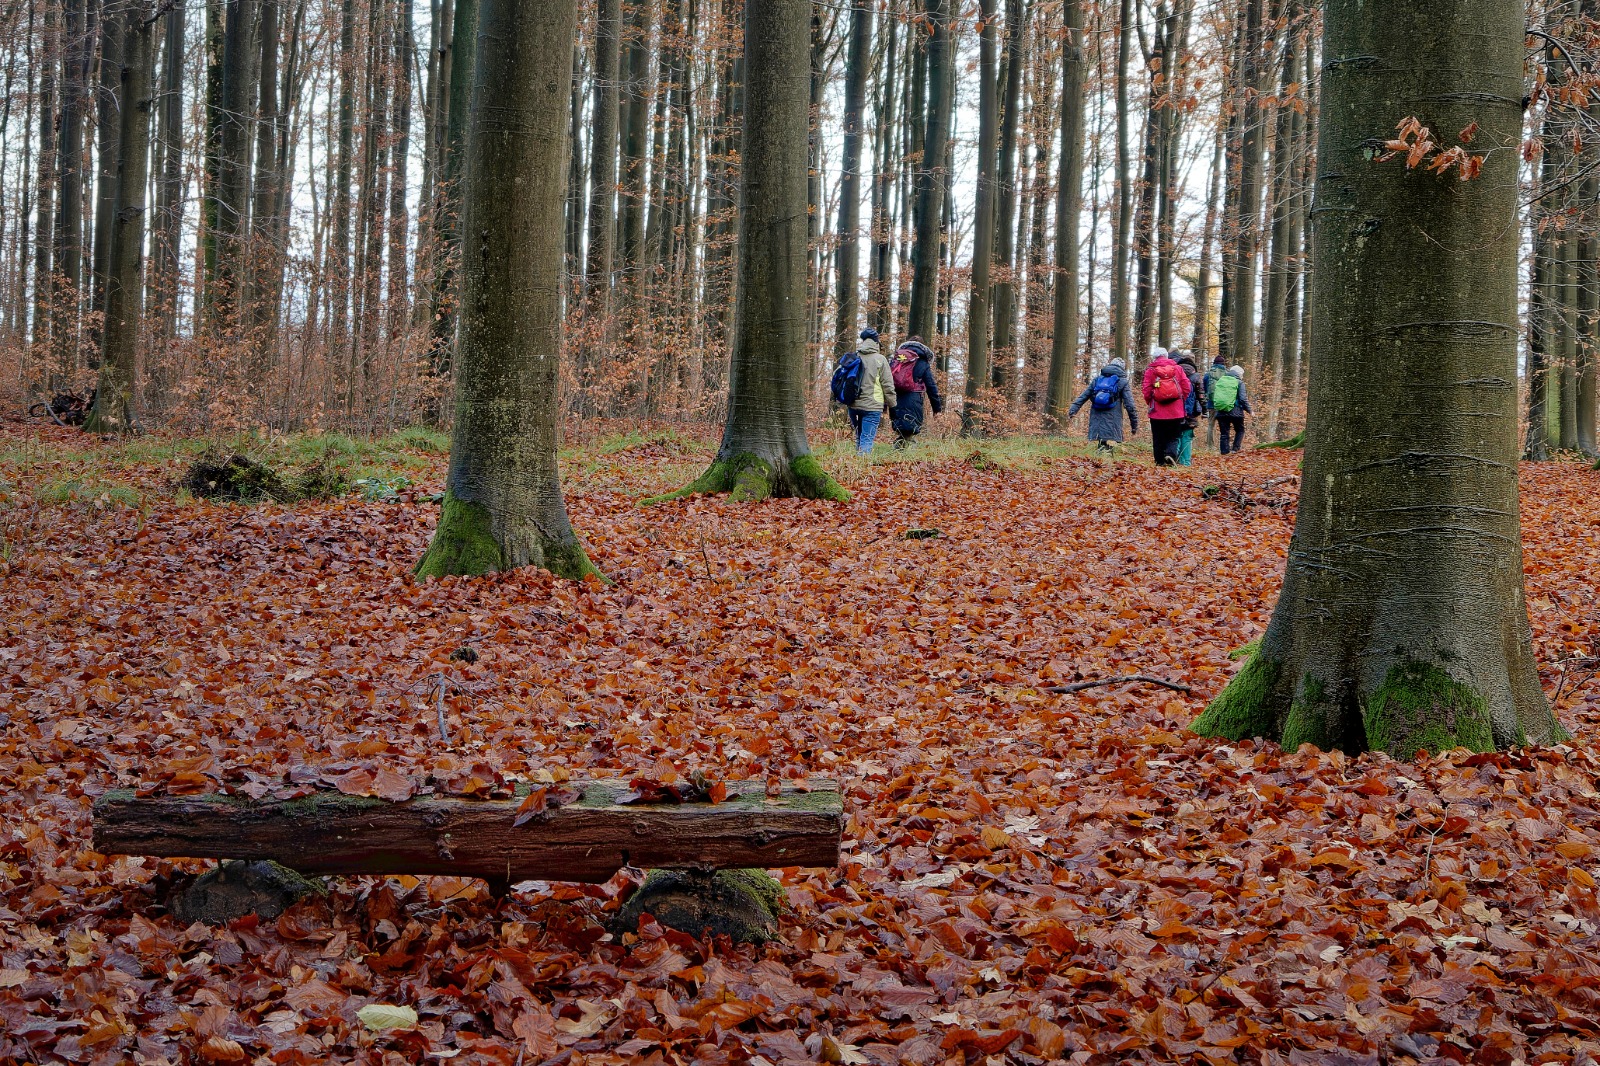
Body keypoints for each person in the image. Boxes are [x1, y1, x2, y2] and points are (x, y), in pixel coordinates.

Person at [1067, 356, 1139, 452]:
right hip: (1113, 419)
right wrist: (1134, 424)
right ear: (1122, 368)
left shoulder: (1098, 379)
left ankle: (1099, 461)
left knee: (1101, 445)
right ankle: (1105, 463)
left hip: (1097, 417)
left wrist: (1073, 409)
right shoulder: (1122, 382)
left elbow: (1084, 396)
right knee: (1108, 447)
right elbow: (1130, 405)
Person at [1141, 345, 1192, 466]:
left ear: (1155, 358)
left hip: (1157, 411)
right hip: (1176, 411)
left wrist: (1150, 401)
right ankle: (1170, 455)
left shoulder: (1151, 370)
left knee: (1158, 437)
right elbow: (1187, 386)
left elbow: (1146, 389)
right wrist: (1181, 399)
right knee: (1173, 436)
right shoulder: (1177, 369)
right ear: (1166, 356)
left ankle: (1159, 462)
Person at [849, 328, 897, 455]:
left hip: (853, 404)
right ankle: (862, 468)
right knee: (867, 438)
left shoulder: (854, 357)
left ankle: (855, 467)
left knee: (859, 437)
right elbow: (888, 385)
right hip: (872, 406)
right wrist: (893, 405)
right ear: (876, 343)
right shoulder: (880, 359)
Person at [889, 337, 943, 447]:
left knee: (902, 430)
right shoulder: (922, 362)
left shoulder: (896, 360)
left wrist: (884, 405)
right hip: (913, 400)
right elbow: (931, 386)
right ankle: (909, 459)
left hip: (895, 399)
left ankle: (898, 456)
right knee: (910, 431)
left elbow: (886, 382)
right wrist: (937, 409)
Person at [1212, 363, 1253, 455]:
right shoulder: (1240, 382)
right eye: (1242, 374)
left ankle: (1224, 453)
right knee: (1240, 430)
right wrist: (1249, 410)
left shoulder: (1221, 380)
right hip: (1236, 411)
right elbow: (1242, 399)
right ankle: (1235, 449)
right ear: (1239, 374)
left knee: (1224, 433)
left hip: (1221, 411)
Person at [1173, 350, 1204, 467]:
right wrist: (1204, 410)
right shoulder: (1196, 376)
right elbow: (1201, 395)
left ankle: (1173, 460)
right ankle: (1185, 462)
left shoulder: (1175, 372)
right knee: (1187, 436)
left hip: (1175, 410)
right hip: (1190, 412)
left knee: (1176, 435)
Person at [1201, 354, 1228, 451]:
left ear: (1214, 363)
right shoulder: (1227, 373)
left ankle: (1209, 446)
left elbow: (1204, 387)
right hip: (1223, 404)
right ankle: (1223, 447)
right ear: (1223, 363)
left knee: (1210, 425)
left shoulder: (1208, 374)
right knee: (1223, 426)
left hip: (1211, 403)